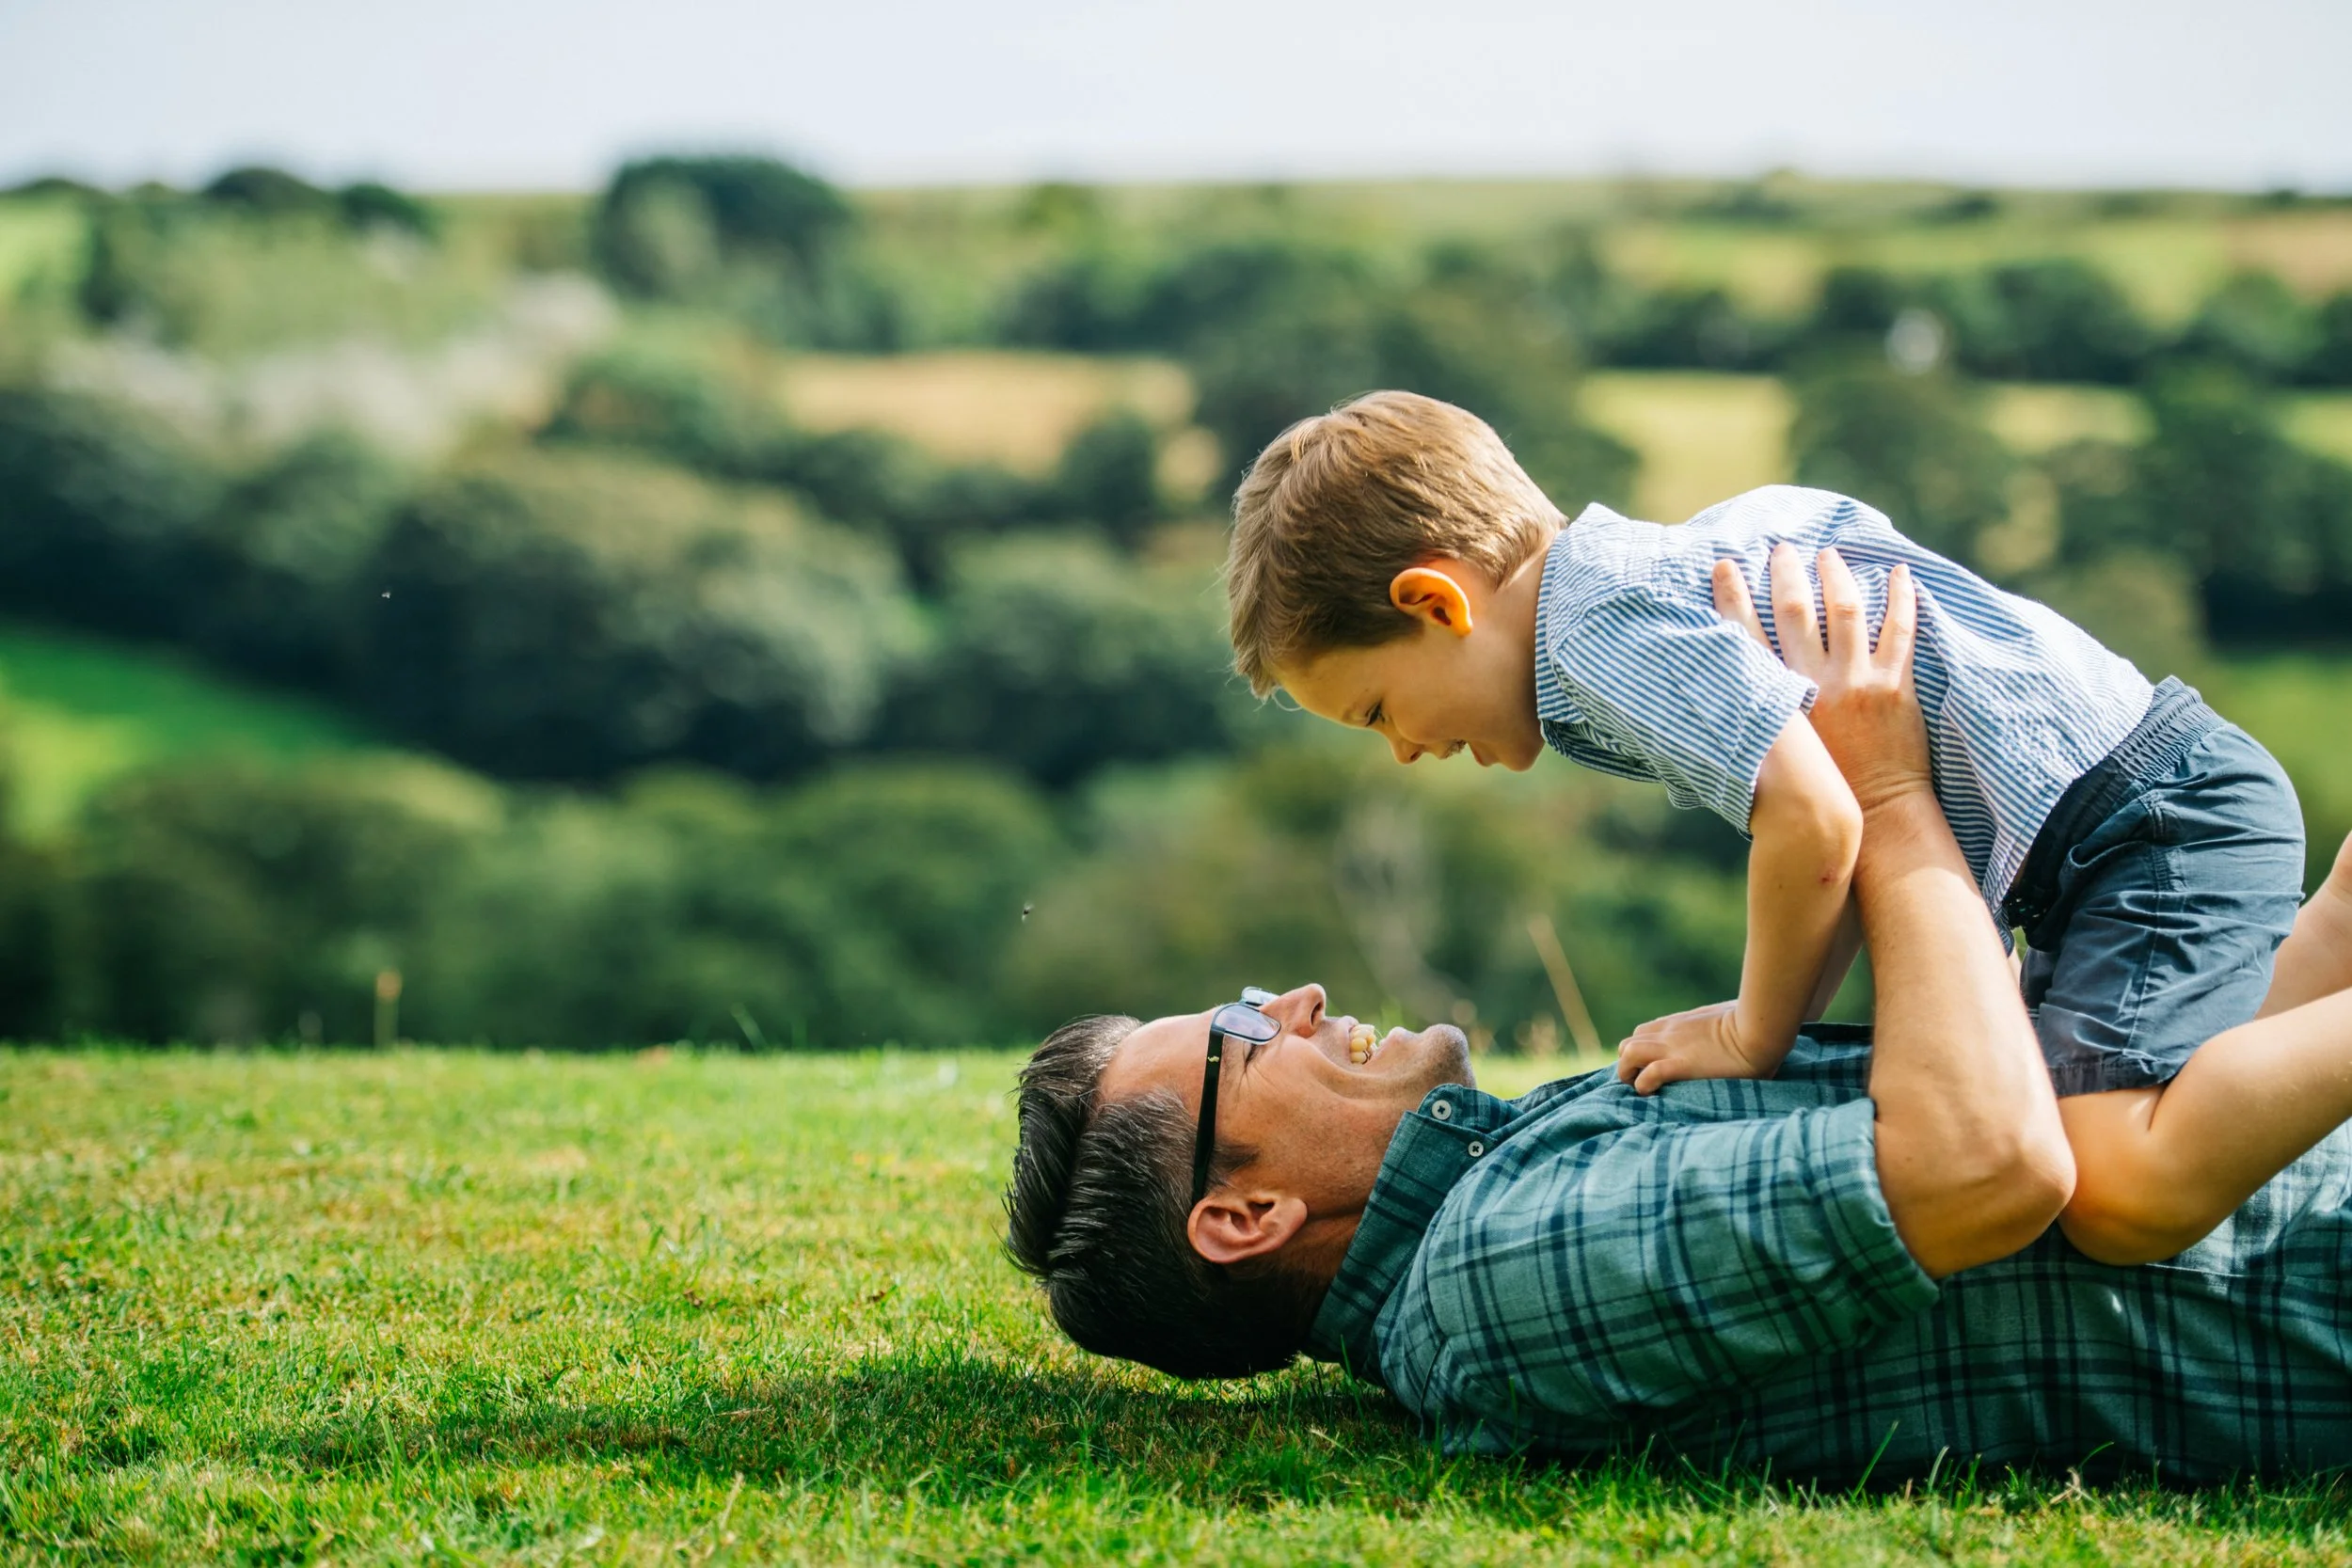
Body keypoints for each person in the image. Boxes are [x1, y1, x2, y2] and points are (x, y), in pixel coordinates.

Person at [1004, 561, 2352, 1481]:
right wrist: (1883, 786)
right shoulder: (1501, 1273)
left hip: (2259, 1165)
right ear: (1241, 1217)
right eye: (1243, 1028)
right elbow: (1986, 1161)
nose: (1288, 994)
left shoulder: (1503, 1174)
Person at [1222, 389, 2312, 1265]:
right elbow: (1826, 832)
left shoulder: (1598, 631)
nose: (1404, 749)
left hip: (2141, 824)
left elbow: (1816, 819)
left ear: (1434, 602)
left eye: (1377, 710)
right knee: (2147, 1091)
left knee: (2119, 1185)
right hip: (2119, 820)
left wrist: (1755, 1029)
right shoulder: (1642, 582)